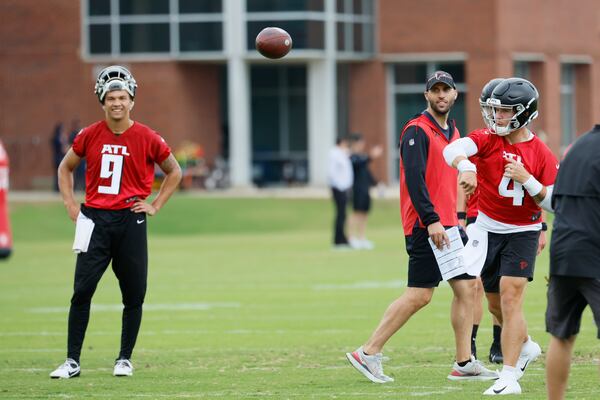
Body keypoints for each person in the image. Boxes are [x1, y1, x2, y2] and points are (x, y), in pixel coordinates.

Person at [345, 71, 497, 383]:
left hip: (448, 225)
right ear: (427, 96)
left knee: (468, 288)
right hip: (425, 226)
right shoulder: (416, 130)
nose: (441, 95)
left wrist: (456, 217)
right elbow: (414, 180)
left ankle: (464, 362)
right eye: (435, 91)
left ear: (455, 95)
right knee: (420, 295)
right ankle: (368, 352)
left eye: (446, 90)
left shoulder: (453, 131)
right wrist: (431, 221)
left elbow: (451, 179)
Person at [50, 65, 182, 379]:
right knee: (81, 291)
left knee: (134, 293)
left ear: (132, 99)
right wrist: (70, 203)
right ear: (102, 100)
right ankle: (72, 361)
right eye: (111, 97)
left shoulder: (147, 136)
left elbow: (174, 171)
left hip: (130, 219)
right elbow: (65, 168)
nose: (117, 103)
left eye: (122, 96)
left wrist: (155, 205)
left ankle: (124, 358)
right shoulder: (89, 134)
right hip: (94, 219)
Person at [443, 77, 558, 395]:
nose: (497, 117)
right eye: (494, 110)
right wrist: (465, 166)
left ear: (524, 112)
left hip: (522, 231)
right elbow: (452, 148)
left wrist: (530, 181)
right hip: (487, 230)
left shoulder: (540, 153)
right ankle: (527, 346)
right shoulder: (487, 139)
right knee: (494, 305)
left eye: (504, 111)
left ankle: (509, 376)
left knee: (511, 298)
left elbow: (556, 202)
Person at [544, 125, 600, 400]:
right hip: (594, 252)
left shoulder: (577, 147)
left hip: (562, 254)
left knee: (561, 335)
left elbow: (555, 201)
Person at [347, 132, 382, 250]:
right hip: (357, 189)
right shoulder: (351, 156)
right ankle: (351, 238)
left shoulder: (362, 156)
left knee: (364, 213)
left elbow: (367, 173)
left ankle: (361, 238)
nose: (362, 145)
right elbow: (360, 163)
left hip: (365, 189)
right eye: (360, 143)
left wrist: (377, 184)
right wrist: (371, 155)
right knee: (356, 212)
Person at [328, 136, 353, 249]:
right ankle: (338, 240)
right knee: (340, 214)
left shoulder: (342, 153)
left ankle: (342, 237)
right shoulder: (334, 154)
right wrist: (339, 186)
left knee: (343, 214)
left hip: (344, 188)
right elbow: (332, 172)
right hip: (339, 188)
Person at [51, 122, 69, 191]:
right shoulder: (58, 138)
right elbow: (63, 149)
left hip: (58, 158)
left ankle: (58, 188)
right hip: (58, 158)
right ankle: (57, 188)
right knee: (59, 174)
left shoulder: (59, 137)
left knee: (59, 174)